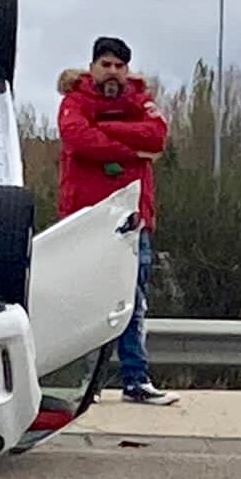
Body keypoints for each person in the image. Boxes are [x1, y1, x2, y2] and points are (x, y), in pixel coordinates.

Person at [56, 36, 179, 406]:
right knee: (83, 300)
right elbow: (77, 138)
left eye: (119, 65)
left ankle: (135, 380)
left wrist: (105, 130)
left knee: (133, 301)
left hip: (133, 220)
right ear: (93, 66)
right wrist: (131, 152)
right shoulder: (75, 101)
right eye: (106, 64)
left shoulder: (140, 101)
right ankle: (81, 385)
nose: (113, 71)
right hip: (86, 219)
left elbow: (156, 138)